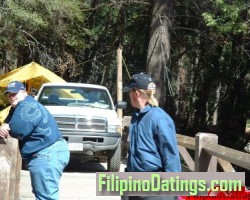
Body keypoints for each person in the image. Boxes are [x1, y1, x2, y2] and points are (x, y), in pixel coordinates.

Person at [0, 81, 70, 200]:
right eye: (9, 94)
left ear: (24, 93)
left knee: (46, 197)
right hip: (49, 153)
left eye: (14, 93)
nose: (11, 97)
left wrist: (6, 127)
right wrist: (5, 125)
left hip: (47, 154)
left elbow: (17, 129)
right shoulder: (18, 106)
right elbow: (8, 122)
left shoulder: (27, 106)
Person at [122, 73, 181, 200]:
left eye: (130, 92)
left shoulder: (160, 118)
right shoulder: (136, 116)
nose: (129, 95)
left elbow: (171, 154)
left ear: (136, 93)